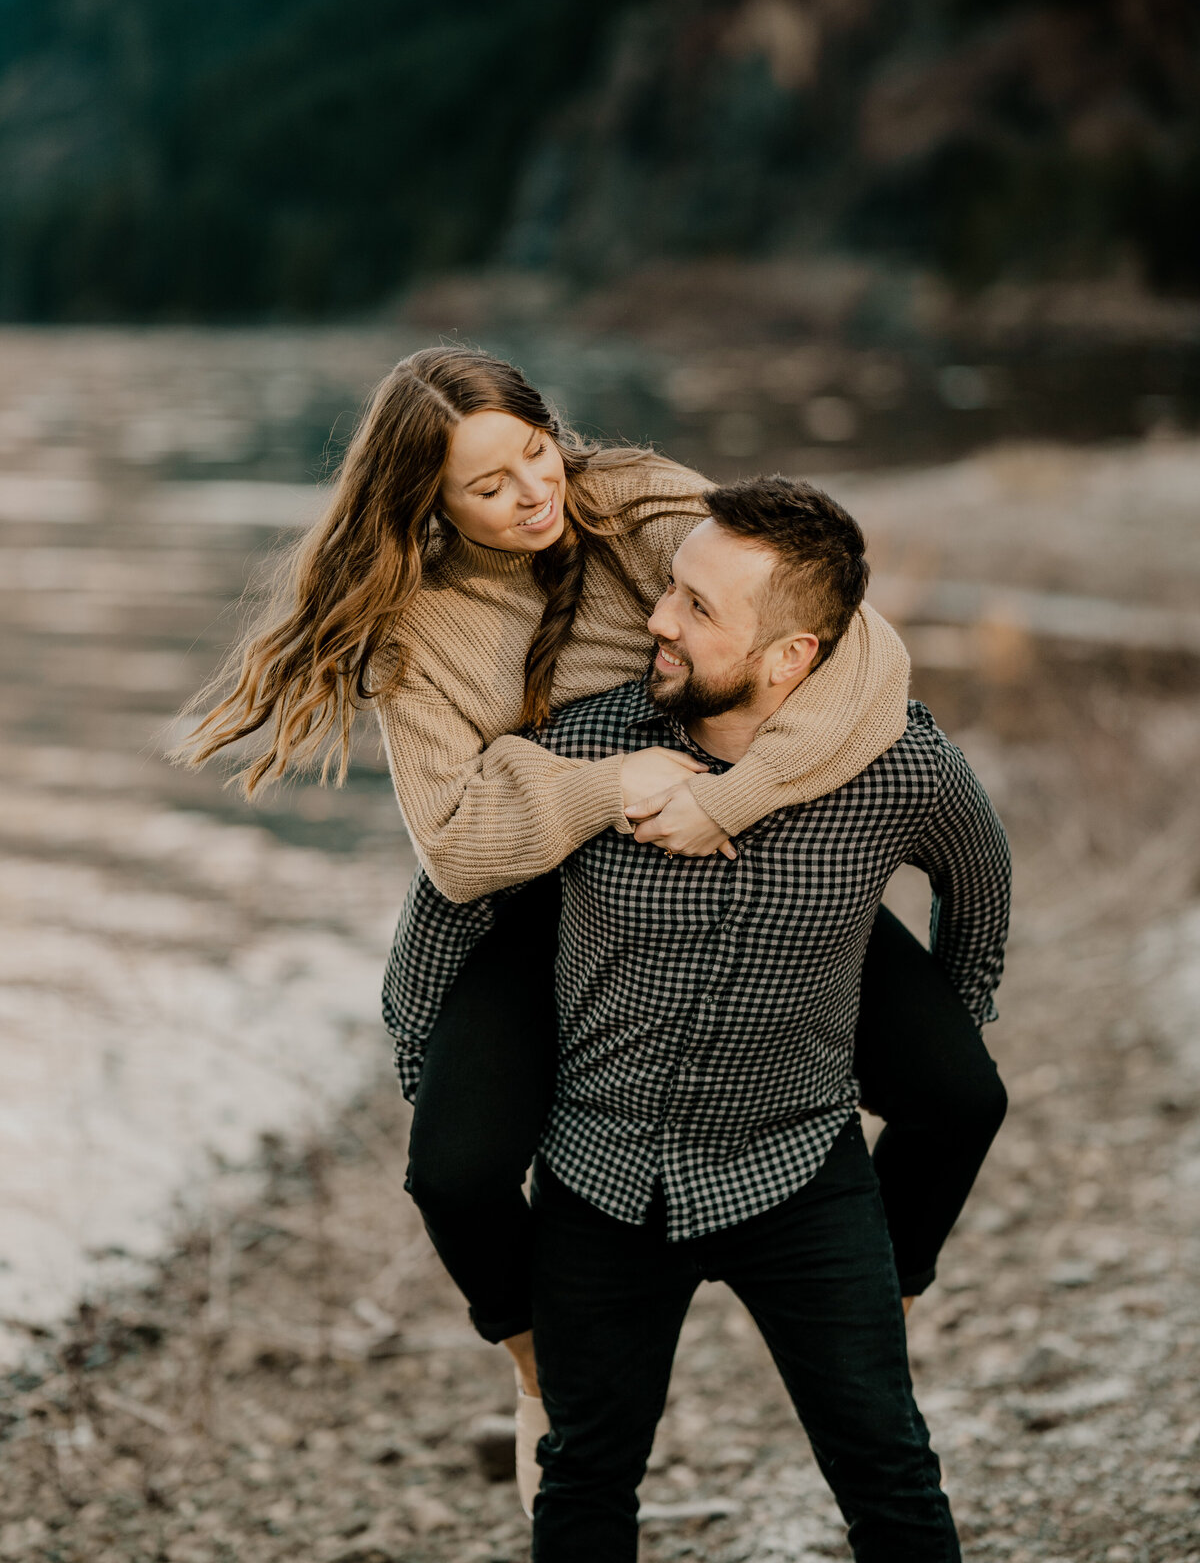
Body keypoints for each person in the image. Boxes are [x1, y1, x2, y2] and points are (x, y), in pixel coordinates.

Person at [178, 346, 1007, 1508]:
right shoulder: (421, 630)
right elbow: (461, 848)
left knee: (963, 1095)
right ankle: (535, 1363)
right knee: (458, 1174)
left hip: (743, 860)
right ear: (430, 504)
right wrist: (619, 784)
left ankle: (891, 1287)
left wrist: (731, 797)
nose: (532, 495)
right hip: (543, 890)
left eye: (533, 453)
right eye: (490, 487)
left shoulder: (646, 503)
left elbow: (848, 649)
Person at [395, 475, 1011, 1560]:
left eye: (697, 608)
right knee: (585, 1478)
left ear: (791, 658)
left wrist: (953, 1024)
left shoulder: (899, 768)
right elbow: (454, 894)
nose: (657, 621)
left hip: (800, 1174)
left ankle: (895, 1290)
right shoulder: (587, 745)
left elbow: (981, 877)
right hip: (603, 1179)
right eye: (669, 589)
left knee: (888, 1470)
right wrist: (419, 1047)